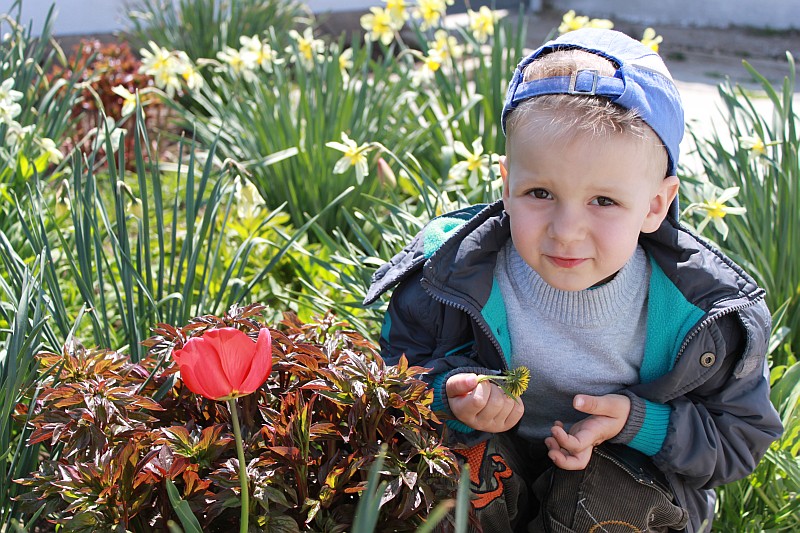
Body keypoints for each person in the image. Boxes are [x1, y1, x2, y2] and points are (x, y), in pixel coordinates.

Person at [363, 28, 782, 532]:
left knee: (610, 502)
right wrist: (445, 397)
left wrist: (638, 424)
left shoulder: (702, 312)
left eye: (603, 201)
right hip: (500, 474)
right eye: (539, 192)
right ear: (506, 182)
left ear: (656, 205)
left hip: (624, 485)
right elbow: (392, 381)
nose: (566, 232)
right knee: (438, 476)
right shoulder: (449, 275)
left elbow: (738, 442)